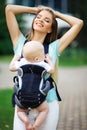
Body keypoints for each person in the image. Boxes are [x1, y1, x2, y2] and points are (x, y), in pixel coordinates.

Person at [5, 4, 83, 130]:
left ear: (50, 29)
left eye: (47, 20)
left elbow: (78, 23)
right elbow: (9, 9)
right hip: (22, 104)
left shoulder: (54, 48)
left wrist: (55, 14)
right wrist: (35, 10)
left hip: (48, 104)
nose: (40, 20)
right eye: (38, 17)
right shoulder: (19, 42)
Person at [9, 41, 54, 130]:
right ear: (37, 59)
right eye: (43, 54)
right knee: (45, 110)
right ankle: (36, 125)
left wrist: (15, 58)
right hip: (38, 98)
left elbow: (11, 68)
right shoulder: (43, 64)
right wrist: (49, 60)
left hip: (22, 98)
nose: (44, 56)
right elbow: (52, 70)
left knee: (20, 111)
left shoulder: (21, 62)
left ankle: (26, 121)